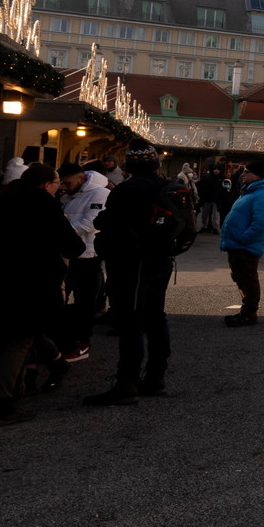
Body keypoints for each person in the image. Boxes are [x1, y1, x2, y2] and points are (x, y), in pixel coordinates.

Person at [0, 164, 83, 425]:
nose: (59, 188)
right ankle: (0, 403)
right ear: (47, 185)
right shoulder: (45, 205)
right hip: (30, 284)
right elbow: (73, 246)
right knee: (18, 342)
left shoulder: (1, 200)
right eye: (57, 183)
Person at [83, 146, 177, 406]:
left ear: (128, 167)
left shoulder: (126, 190)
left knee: (130, 320)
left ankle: (127, 383)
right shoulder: (167, 186)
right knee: (156, 318)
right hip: (162, 259)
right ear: (156, 165)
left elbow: (107, 222)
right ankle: (156, 378)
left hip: (132, 263)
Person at [219, 160, 264, 327]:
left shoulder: (262, 193)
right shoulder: (251, 190)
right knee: (240, 277)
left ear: (256, 175)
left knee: (248, 279)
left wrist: (244, 238)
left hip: (245, 245)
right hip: (237, 244)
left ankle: (249, 313)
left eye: (246, 171)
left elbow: (261, 221)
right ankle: (246, 310)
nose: (242, 174)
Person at [57, 161, 110, 362]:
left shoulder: (100, 194)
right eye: (61, 183)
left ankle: (82, 342)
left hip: (87, 257)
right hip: (66, 256)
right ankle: (61, 339)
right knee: (59, 298)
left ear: (80, 178)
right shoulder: (67, 195)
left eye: (67, 183)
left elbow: (91, 223)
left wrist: (60, 231)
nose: (64, 187)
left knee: (85, 303)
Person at [196, 165, 224, 234]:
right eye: (215, 169)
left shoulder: (208, 178)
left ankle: (212, 227)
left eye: (217, 169)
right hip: (209, 198)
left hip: (213, 199)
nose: (216, 170)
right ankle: (207, 227)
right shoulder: (220, 178)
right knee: (207, 214)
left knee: (214, 215)